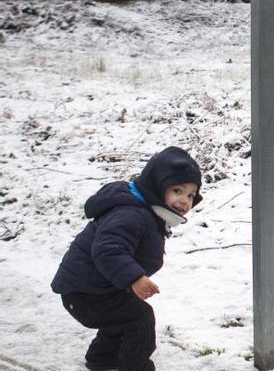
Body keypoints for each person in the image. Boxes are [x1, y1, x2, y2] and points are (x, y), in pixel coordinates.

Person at [51, 146, 202, 371]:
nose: (185, 200)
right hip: (86, 293)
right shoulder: (132, 214)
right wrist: (134, 278)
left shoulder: (146, 212)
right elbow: (108, 250)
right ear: (157, 187)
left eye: (190, 195)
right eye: (177, 190)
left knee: (121, 319)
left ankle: (102, 360)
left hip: (91, 289)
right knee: (139, 319)